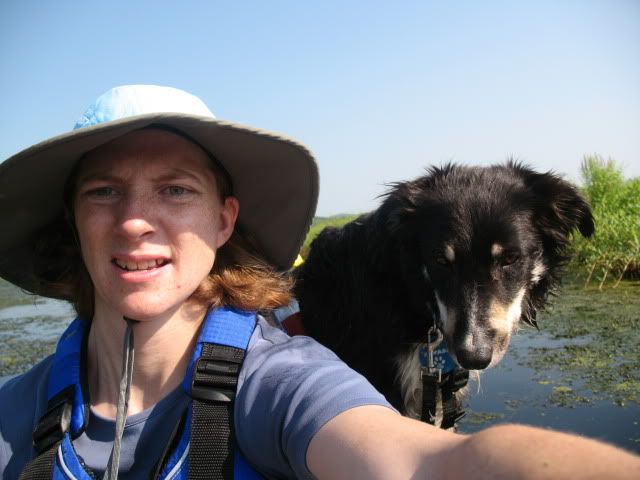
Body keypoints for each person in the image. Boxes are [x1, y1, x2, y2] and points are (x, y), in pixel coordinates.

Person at [0, 85, 638, 480]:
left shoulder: (282, 385)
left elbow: (426, 465)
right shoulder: (14, 412)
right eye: (103, 191)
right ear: (71, 222)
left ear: (225, 221)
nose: (136, 220)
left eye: (175, 190)